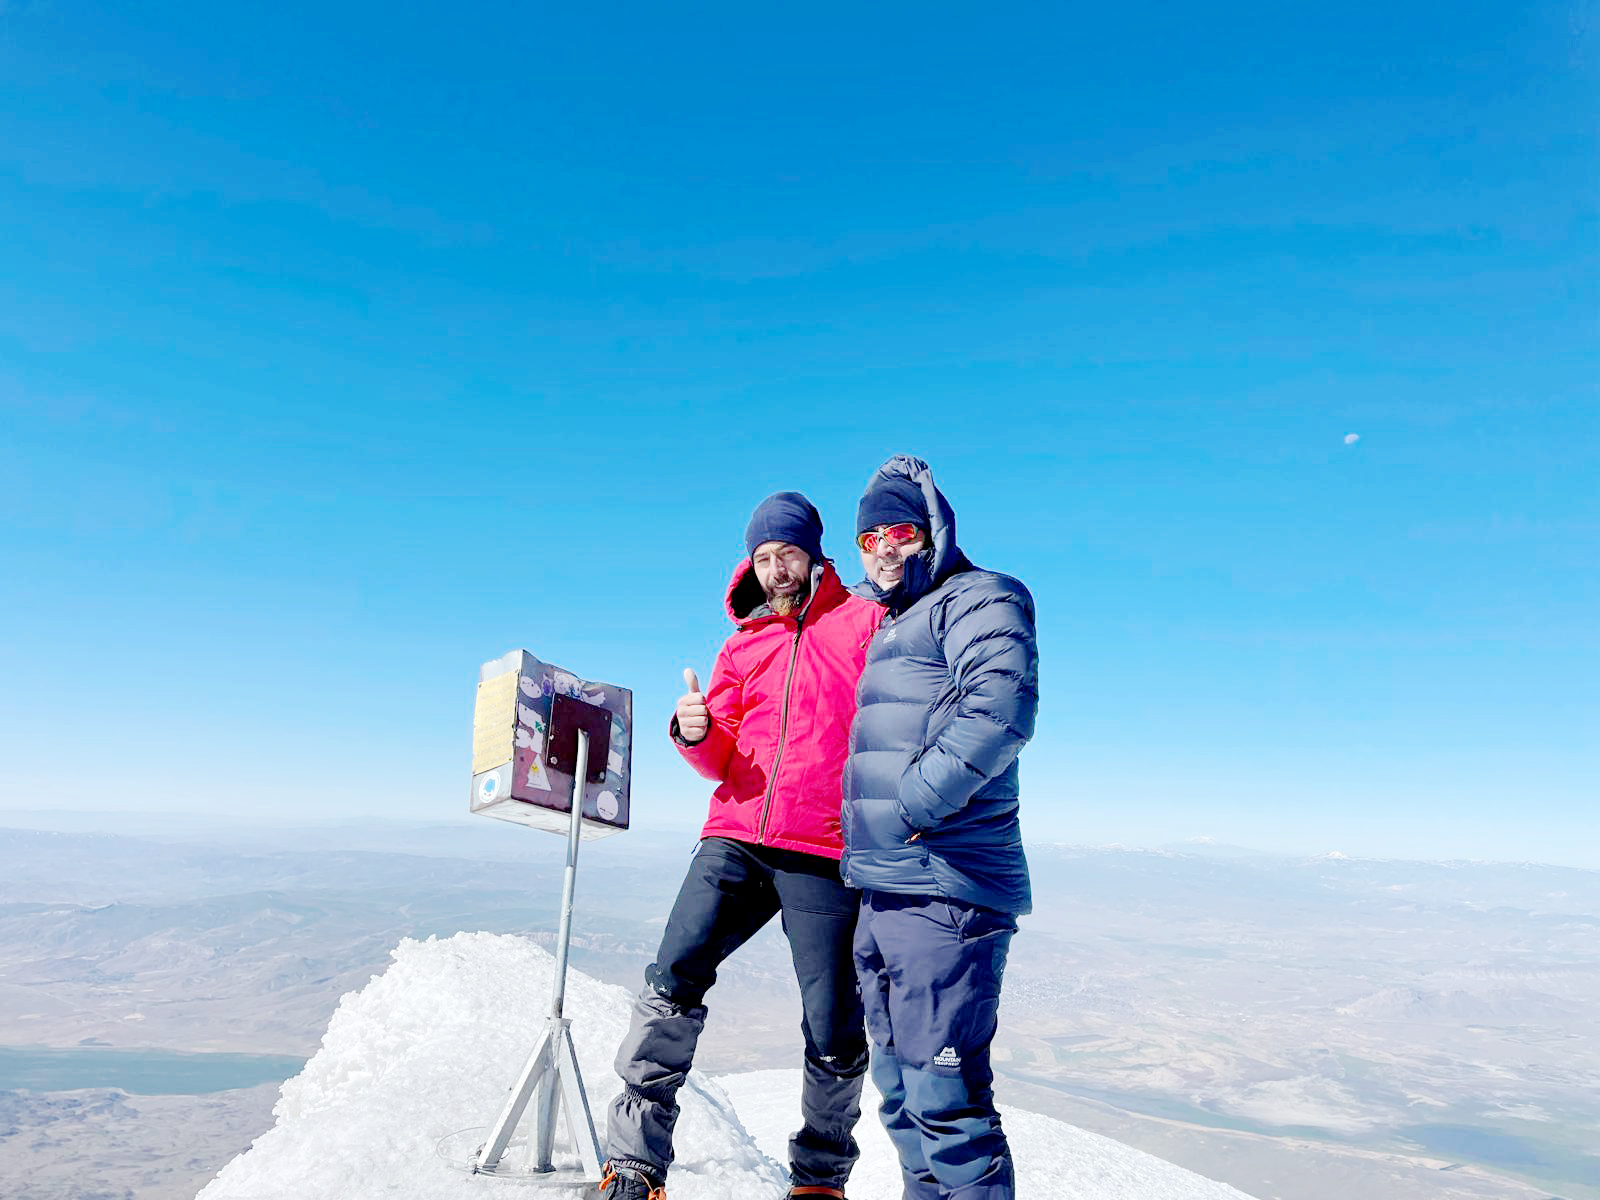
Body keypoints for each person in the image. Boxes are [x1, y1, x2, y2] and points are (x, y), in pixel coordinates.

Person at [601, 491, 884, 1200]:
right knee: (670, 981)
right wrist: (695, 731)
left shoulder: (866, 624)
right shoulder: (743, 643)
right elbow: (720, 755)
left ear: (817, 555)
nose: (776, 570)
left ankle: (819, 1182)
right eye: (762, 558)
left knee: (834, 1024)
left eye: (787, 554)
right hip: (736, 834)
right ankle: (634, 1165)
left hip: (823, 847)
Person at [841, 455, 1039, 1200]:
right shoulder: (893, 623)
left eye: (898, 530)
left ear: (931, 532)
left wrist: (915, 804)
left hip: (944, 888)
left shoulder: (980, 596)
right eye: (869, 539)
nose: (884, 549)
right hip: (887, 888)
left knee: (947, 1110)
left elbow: (999, 710)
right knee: (899, 1101)